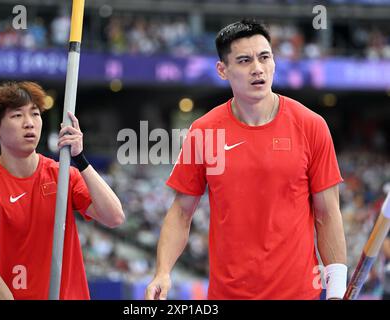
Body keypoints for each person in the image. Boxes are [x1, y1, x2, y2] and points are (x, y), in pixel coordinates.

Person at [145, 19, 347, 300]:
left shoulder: (311, 125)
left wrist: (336, 291)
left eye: (265, 57)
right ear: (222, 70)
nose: (257, 68)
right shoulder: (204, 132)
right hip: (228, 294)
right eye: (244, 60)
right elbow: (181, 212)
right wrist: (163, 271)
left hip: (299, 294)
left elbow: (327, 214)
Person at [0, 81, 125, 299]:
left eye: (35, 114)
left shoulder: (63, 174)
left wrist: (80, 160)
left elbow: (114, 217)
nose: (29, 123)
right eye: (17, 116)